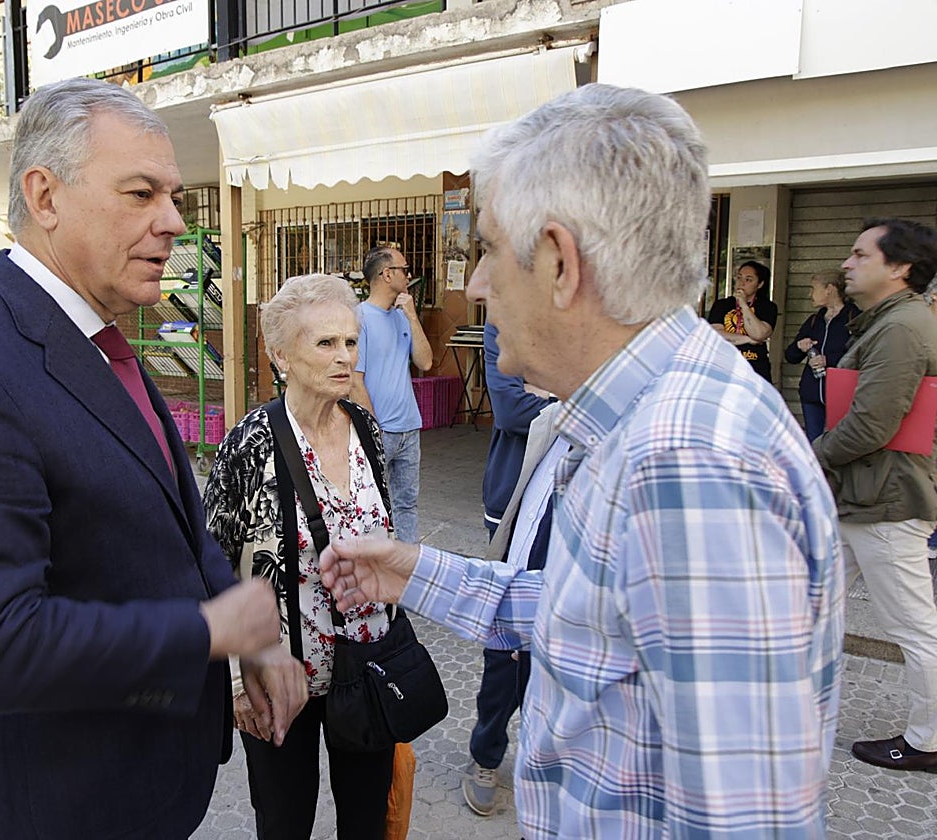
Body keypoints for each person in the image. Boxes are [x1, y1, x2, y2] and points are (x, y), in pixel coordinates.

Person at [319, 84, 843, 838]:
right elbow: (592, 619)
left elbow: (746, 822)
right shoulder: (638, 420)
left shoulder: (685, 465)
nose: (476, 286)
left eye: (490, 252)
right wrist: (414, 569)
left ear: (560, 263)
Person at [0, 78, 306, 840]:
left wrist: (257, 641)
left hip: (142, 785)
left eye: (173, 197)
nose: (172, 223)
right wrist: (212, 633)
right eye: (140, 194)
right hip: (59, 804)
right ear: (45, 196)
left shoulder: (100, 338)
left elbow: (175, 522)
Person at [204, 273, 396, 839]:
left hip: (366, 667)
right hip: (280, 678)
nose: (345, 358)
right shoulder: (248, 444)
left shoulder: (366, 428)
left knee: (366, 822)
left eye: (351, 342)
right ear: (281, 354)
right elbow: (211, 566)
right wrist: (239, 679)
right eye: (326, 343)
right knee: (285, 822)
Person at [813, 217, 937, 773]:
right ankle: (794, 709)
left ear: (900, 268)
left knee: (913, 624)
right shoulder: (889, 321)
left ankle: (930, 738)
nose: (847, 263)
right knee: (811, 607)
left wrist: (805, 457)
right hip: (860, 497)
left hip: (885, 502)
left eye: (861, 255)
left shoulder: (903, 326)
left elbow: (871, 424)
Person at [462, 320, 555, 816]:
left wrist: (550, 394)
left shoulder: (588, 320)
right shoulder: (505, 324)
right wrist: (575, 399)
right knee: (507, 639)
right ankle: (486, 753)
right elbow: (512, 409)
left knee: (561, 638)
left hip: (577, 504)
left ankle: (548, 755)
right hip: (513, 501)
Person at [348, 245, 433, 543]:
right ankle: (374, 571)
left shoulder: (402, 316)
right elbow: (355, 382)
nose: (409, 275)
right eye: (404, 270)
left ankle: (407, 570)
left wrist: (412, 316)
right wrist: (373, 431)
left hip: (410, 427)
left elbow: (425, 362)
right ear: (387, 274)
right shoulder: (358, 319)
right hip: (381, 429)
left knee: (407, 505)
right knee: (372, 506)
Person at [783, 269, 858, 441]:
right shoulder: (814, 321)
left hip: (842, 393)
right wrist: (799, 346)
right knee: (814, 443)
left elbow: (863, 355)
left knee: (842, 442)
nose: (810, 293)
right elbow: (791, 356)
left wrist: (829, 361)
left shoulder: (855, 318)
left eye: (813, 288)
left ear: (829, 289)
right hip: (812, 394)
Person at [707, 260, 778, 382]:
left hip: (755, 369)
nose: (741, 283)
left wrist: (744, 305)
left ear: (760, 284)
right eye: (739, 277)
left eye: (748, 280)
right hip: (725, 367)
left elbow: (759, 334)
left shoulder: (767, 307)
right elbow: (716, 335)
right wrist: (748, 339)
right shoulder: (721, 305)